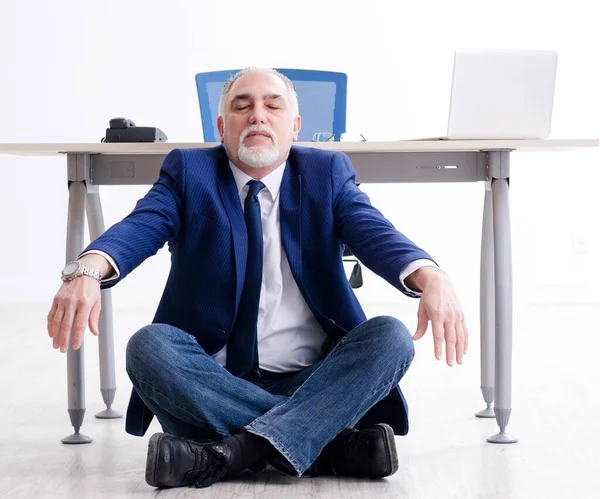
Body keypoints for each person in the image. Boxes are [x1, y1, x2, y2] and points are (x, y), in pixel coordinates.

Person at [47, 67, 469, 489]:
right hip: (212, 382)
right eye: (242, 105)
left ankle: (229, 453)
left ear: (295, 126)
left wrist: (431, 277)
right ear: (221, 126)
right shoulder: (188, 171)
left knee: (390, 337)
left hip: (313, 378)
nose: (257, 116)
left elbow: (374, 231)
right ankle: (325, 442)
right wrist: (87, 269)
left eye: (273, 105)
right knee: (149, 346)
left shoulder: (328, 173)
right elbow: (141, 225)